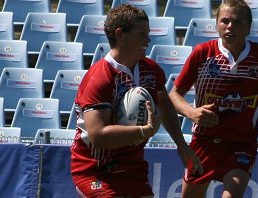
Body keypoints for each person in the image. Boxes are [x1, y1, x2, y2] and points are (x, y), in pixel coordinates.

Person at [70, 4, 202, 197]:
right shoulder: (99, 77)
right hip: (96, 170)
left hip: (132, 167)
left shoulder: (152, 70)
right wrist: (142, 131)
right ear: (120, 34)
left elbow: (164, 103)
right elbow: (97, 136)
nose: (148, 40)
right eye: (141, 34)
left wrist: (182, 145)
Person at [169, 0, 258, 197]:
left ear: (248, 28)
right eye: (224, 21)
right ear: (217, 25)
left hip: (242, 144)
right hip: (203, 142)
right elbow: (174, 94)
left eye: (237, 22)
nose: (230, 26)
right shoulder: (202, 53)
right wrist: (191, 112)